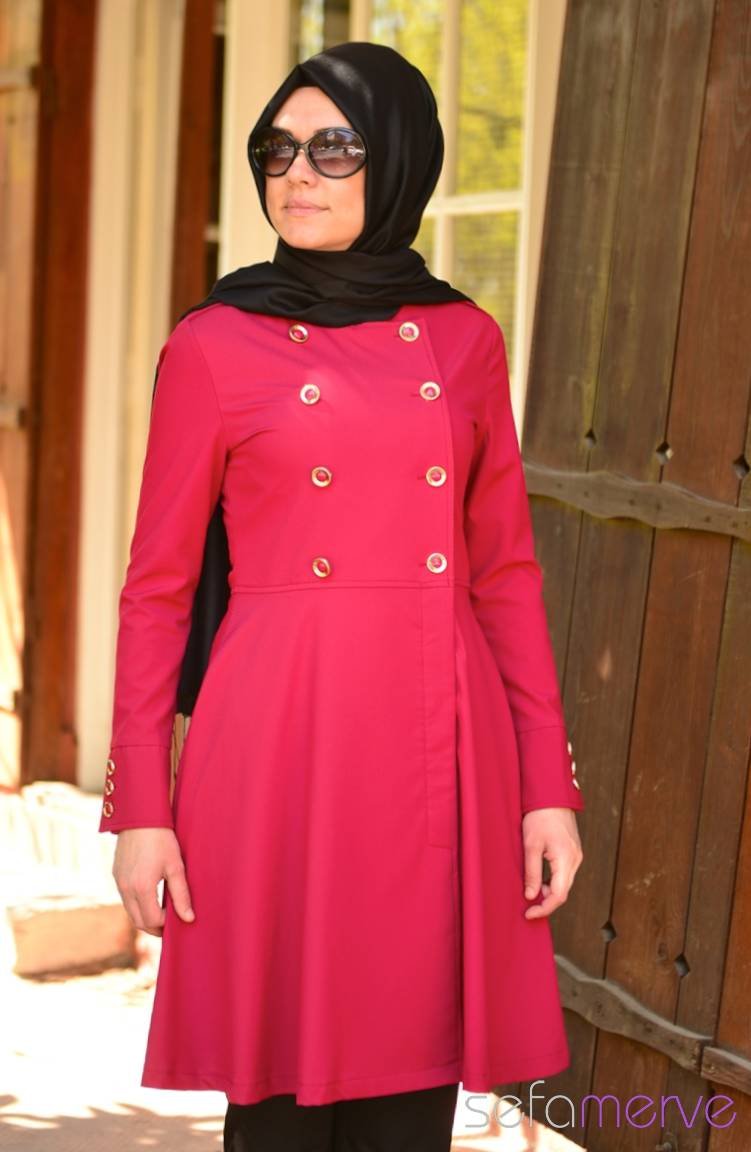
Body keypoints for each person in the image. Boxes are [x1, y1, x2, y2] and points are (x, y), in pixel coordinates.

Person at [98, 41, 585, 1152]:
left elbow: (504, 578)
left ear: (398, 160)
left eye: (334, 147)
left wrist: (544, 788)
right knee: (273, 1096)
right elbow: (156, 592)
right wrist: (141, 809)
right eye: (276, 150)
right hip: (276, 740)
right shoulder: (213, 343)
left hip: (437, 742)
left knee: (409, 1087)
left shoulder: (462, 340)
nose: (297, 173)